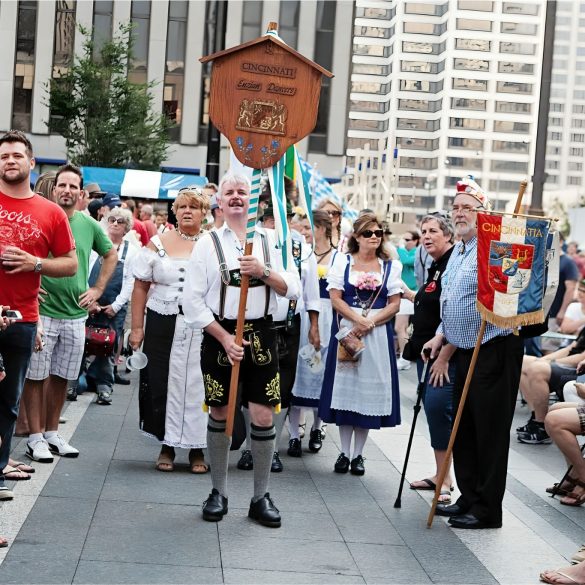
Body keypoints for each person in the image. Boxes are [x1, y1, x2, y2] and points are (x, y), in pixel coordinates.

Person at [183, 172, 301, 527]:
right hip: (220, 335)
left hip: (263, 336)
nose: (236, 197)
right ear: (219, 201)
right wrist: (223, 337)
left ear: (254, 202)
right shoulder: (207, 243)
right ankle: (218, 492)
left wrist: (264, 271)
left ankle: (260, 496)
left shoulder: (273, 241)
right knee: (220, 412)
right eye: (229, 192)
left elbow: (291, 289)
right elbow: (191, 301)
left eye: (242, 192)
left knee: (264, 415)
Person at [424, 176, 524, 529]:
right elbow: (451, 299)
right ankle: (469, 497)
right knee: (464, 429)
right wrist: (441, 334)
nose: (461, 213)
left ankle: (487, 510)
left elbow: (511, 290)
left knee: (489, 430)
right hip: (465, 347)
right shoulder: (461, 249)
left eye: (469, 207)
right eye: (457, 207)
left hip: (494, 346)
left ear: (484, 212)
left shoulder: (494, 244)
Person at [21, 163, 116, 463]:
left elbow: (110, 254)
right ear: (54, 187)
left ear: (80, 192)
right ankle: (34, 437)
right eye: (62, 185)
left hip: (75, 314)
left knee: (63, 375)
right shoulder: (40, 217)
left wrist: (98, 290)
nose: (67, 190)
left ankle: (51, 433)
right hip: (43, 312)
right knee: (36, 376)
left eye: (73, 186)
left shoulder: (89, 225)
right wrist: (29, 288)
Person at [0, 131, 78, 496]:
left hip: (23, 320)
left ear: (32, 163)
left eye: (17, 155)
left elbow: (71, 263)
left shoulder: (50, 213)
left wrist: (36, 264)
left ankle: (0, 470)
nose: (10, 161)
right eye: (4, 156)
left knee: (8, 405)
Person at [236, 194, 319, 472]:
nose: (278, 224)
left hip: (289, 326)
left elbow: (310, 291)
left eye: (284, 219)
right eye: (272, 219)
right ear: (264, 220)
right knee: (254, 386)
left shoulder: (299, 247)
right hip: (259, 324)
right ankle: (250, 447)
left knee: (282, 389)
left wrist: (314, 326)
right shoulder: (254, 244)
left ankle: (269, 448)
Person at [130, 188, 209, 473]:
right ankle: (168, 445)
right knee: (163, 383)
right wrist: (136, 328)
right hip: (162, 323)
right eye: (182, 206)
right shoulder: (156, 244)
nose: (187, 211)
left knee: (199, 385)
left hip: (202, 325)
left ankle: (197, 449)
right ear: (174, 211)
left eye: (194, 207)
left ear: (204, 213)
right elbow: (140, 287)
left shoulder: (211, 244)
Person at [319, 212, 402, 476]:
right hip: (348, 330)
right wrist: (357, 321)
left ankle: (359, 455)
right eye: (368, 233)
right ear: (357, 236)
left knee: (366, 394)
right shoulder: (343, 262)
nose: (375, 238)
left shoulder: (391, 266)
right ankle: (343, 452)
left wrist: (370, 323)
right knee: (347, 391)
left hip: (376, 335)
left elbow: (395, 304)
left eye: (379, 233)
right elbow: (336, 298)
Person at [402, 214, 456, 502]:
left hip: (443, 356)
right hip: (428, 352)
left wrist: (444, 355)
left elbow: (456, 313)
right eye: (423, 231)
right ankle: (442, 475)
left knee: (439, 410)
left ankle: (445, 482)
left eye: (433, 231)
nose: (426, 236)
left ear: (448, 235)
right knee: (434, 412)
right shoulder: (435, 266)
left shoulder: (452, 265)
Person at [289, 210, 335, 453]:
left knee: (320, 372)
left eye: (309, 227)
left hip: (326, 317)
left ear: (322, 228)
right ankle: (294, 434)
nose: (304, 232)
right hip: (301, 314)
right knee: (297, 371)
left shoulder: (338, 257)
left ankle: (318, 425)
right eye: (302, 227)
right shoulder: (298, 254)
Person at [82, 207, 137, 405]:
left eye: (120, 221)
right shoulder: (95, 244)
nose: (115, 223)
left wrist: (116, 305)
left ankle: (104, 386)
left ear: (126, 227)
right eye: (112, 219)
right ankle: (76, 382)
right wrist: (90, 300)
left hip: (114, 307)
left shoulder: (132, 251)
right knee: (82, 342)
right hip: (89, 303)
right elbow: (85, 271)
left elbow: (130, 281)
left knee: (108, 346)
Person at [396, 229, 421, 371]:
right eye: (403, 239)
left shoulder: (417, 252)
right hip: (403, 293)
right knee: (402, 327)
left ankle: (404, 358)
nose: (404, 242)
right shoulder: (404, 252)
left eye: (407, 240)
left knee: (401, 327)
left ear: (416, 240)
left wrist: (400, 247)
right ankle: (405, 357)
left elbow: (406, 260)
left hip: (412, 292)